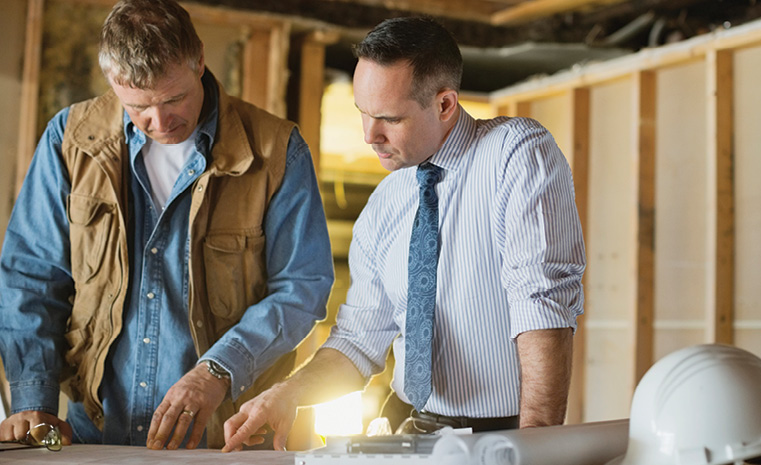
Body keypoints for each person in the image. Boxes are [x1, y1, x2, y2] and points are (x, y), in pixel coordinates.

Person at [222, 16, 585, 452]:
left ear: (445, 104)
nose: (369, 136)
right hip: (416, 432)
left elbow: (541, 303)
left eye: (388, 119)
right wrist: (289, 393)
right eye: (363, 113)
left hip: (507, 434)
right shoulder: (386, 203)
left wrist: (535, 447)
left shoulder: (514, 154)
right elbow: (359, 340)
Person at [0, 0, 333, 451]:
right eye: (138, 107)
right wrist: (32, 396)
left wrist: (219, 369)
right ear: (113, 82)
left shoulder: (277, 151)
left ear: (198, 60)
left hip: (227, 440)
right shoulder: (70, 139)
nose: (160, 122)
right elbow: (31, 276)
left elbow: (302, 287)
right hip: (95, 435)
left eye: (174, 99)